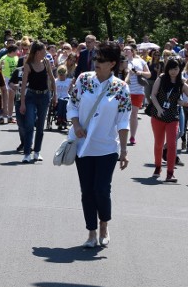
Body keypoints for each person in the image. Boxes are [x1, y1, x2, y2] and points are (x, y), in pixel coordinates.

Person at [67, 41, 131, 247]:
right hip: (83, 147)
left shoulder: (121, 88)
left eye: (101, 59)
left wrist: (124, 150)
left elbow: (123, 120)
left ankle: (104, 224)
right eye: (95, 58)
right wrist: (76, 124)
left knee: (101, 189)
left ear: (112, 63)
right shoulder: (84, 79)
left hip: (106, 148)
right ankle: (91, 233)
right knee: (87, 191)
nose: (96, 62)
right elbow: (72, 104)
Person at [149, 58, 188, 182]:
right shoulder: (161, 79)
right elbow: (153, 95)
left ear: (179, 70)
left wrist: (184, 103)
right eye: (171, 69)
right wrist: (159, 109)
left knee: (172, 144)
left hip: (173, 117)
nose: (173, 72)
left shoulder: (181, 83)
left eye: (176, 69)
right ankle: (158, 167)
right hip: (158, 115)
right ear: (167, 69)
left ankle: (170, 173)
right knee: (159, 143)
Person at [18, 41, 57, 163]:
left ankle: (37, 152)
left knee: (40, 126)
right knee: (29, 124)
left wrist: (55, 95)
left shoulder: (46, 63)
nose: (46, 53)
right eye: (44, 50)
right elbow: (24, 85)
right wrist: (22, 102)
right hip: (31, 96)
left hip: (44, 96)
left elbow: (52, 78)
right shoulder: (28, 64)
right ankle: (27, 153)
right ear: (37, 52)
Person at [124, 45, 151, 146]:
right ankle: (121, 135)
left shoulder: (140, 61)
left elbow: (149, 74)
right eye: (124, 50)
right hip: (124, 91)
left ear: (132, 51)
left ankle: (132, 136)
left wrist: (140, 72)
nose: (126, 51)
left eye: (128, 49)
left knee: (134, 114)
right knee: (124, 114)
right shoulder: (121, 61)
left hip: (138, 91)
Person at [54, 65, 71, 130]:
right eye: (60, 74)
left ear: (65, 74)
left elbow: (71, 90)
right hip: (57, 98)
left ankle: (63, 118)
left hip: (66, 97)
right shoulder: (55, 81)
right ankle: (60, 118)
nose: (61, 75)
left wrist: (72, 86)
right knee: (61, 101)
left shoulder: (69, 81)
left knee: (65, 101)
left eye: (63, 74)